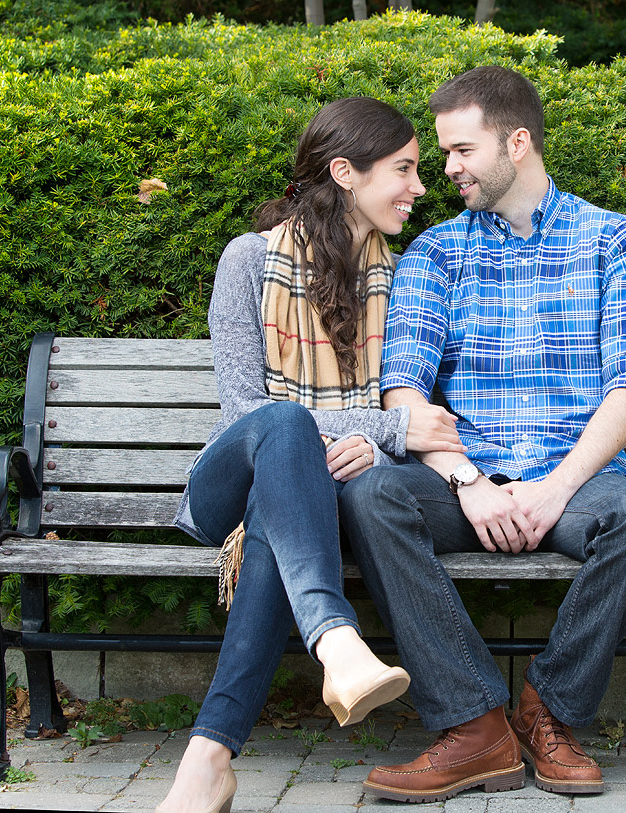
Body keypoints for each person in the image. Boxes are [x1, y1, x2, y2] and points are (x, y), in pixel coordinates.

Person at [339, 67, 626, 803]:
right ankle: (474, 724)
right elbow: (402, 387)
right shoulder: (437, 253)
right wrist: (470, 481)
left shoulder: (613, 241)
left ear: (516, 142)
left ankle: (549, 710)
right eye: (444, 155)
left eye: (461, 151)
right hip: (464, 481)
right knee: (369, 494)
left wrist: (556, 488)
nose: (447, 171)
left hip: (578, 482)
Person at [157, 97, 464, 813]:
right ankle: (336, 637)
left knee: (284, 496)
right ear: (344, 173)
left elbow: (415, 409)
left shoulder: (408, 275)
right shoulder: (249, 260)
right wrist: (382, 433)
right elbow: (248, 414)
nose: (421, 187)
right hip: (227, 486)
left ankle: (211, 761)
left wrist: (378, 447)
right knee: (285, 426)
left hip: (305, 502)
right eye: (404, 169)